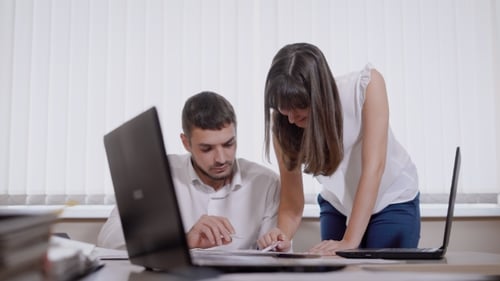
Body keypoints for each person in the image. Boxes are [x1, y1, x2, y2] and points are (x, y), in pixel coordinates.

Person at [257, 43, 420, 255]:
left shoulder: (365, 87)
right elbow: (292, 202)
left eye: (299, 106)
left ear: (319, 94)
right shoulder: (282, 125)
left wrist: (349, 241)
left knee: (381, 273)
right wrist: (281, 238)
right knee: (335, 273)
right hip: (339, 204)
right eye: (283, 108)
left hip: (390, 198)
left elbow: (374, 168)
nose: (291, 117)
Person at [98, 91, 280, 250]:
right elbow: (108, 239)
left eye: (228, 144)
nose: (221, 159)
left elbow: (273, 253)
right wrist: (183, 241)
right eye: (207, 149)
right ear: (186, 143)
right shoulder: (157, 174)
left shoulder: (266, 183)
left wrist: (277, 244)